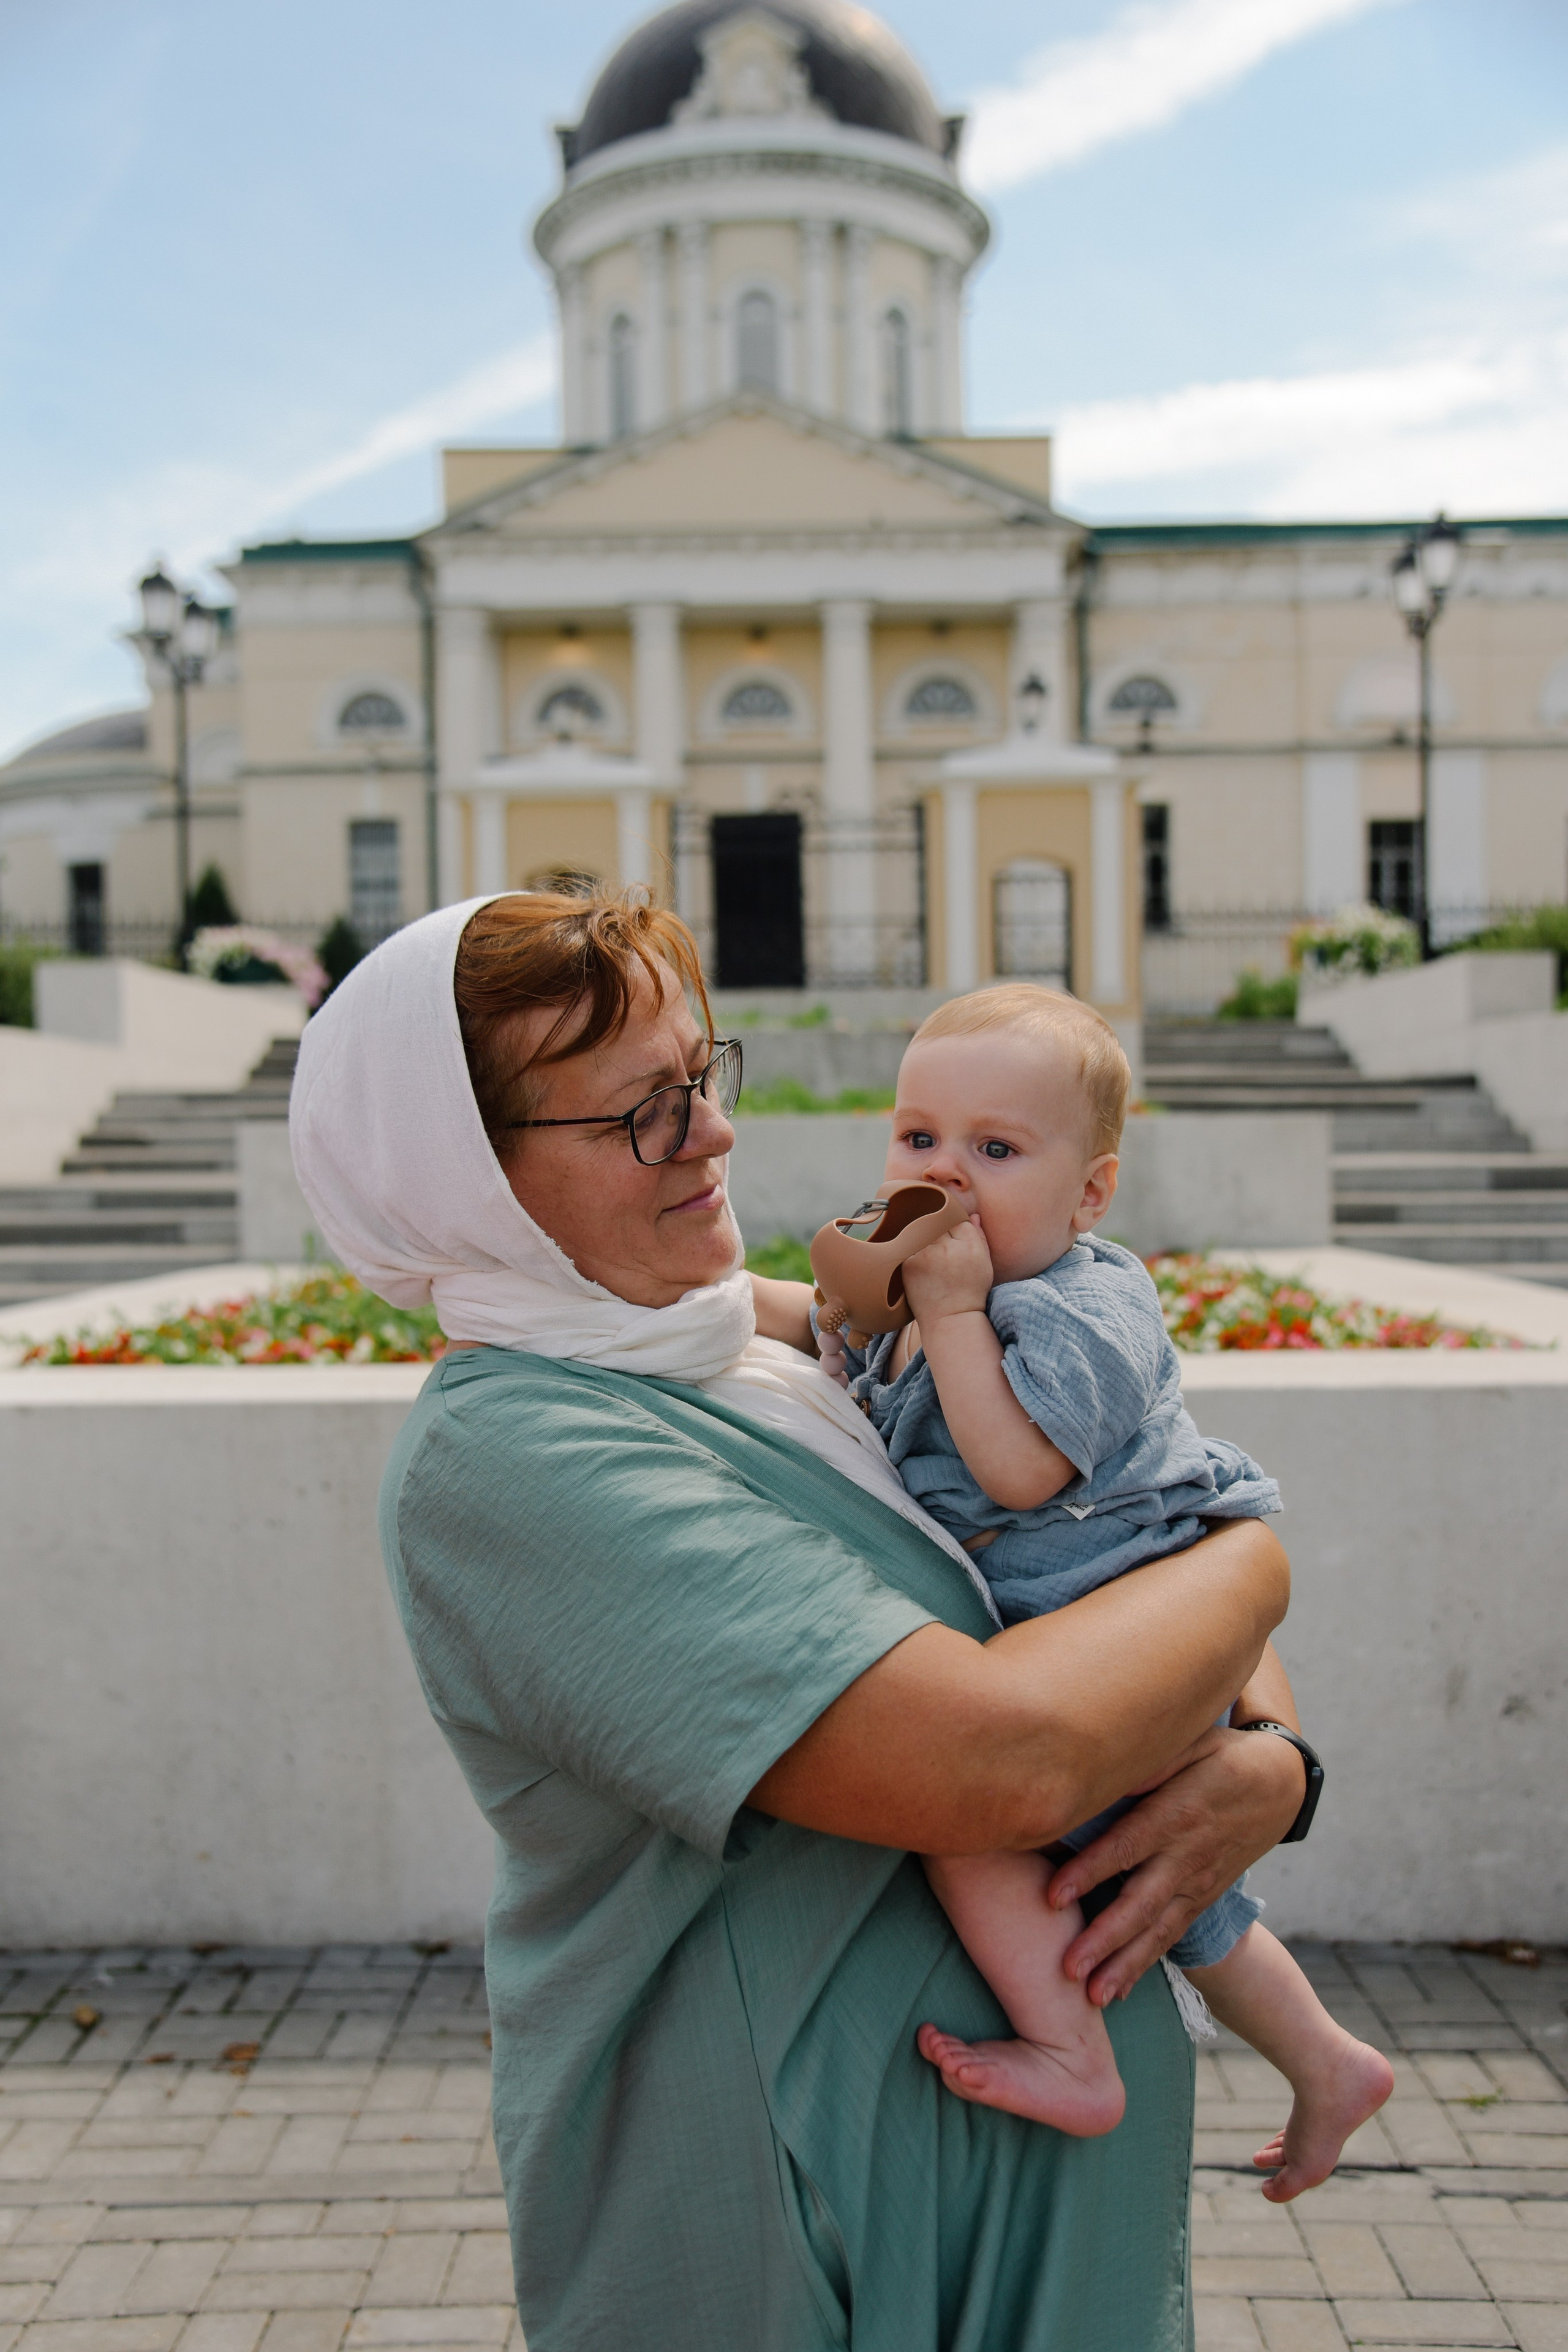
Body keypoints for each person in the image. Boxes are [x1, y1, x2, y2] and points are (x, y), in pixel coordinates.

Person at [290, 887, 1307, 2352]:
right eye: (638, 1113)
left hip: (997, 2205)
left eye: (699, 1077)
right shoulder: (516, 1456)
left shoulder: (723, 1339)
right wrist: (1260, 1556)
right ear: (462, 1177)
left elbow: (1110, 1537)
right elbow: (1002, 1762)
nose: (709, 1136)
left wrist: (1265, 1752)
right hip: (799, 2225)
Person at [815, 984, 1393, 2196]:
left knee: (973, 1833)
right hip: (1055, 1652)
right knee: (1165, 1888)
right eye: (918, 1138)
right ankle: (1323, 2060)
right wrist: (829, 1314)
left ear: (1088, 1195)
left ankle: (1072, 2050)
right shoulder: (932, 1303)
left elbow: (1017, 1472)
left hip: (1118, 1645)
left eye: (995, 1149)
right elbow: (840, 1357)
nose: (947, 1175)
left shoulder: (1088, 1306)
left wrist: (954, 1310)